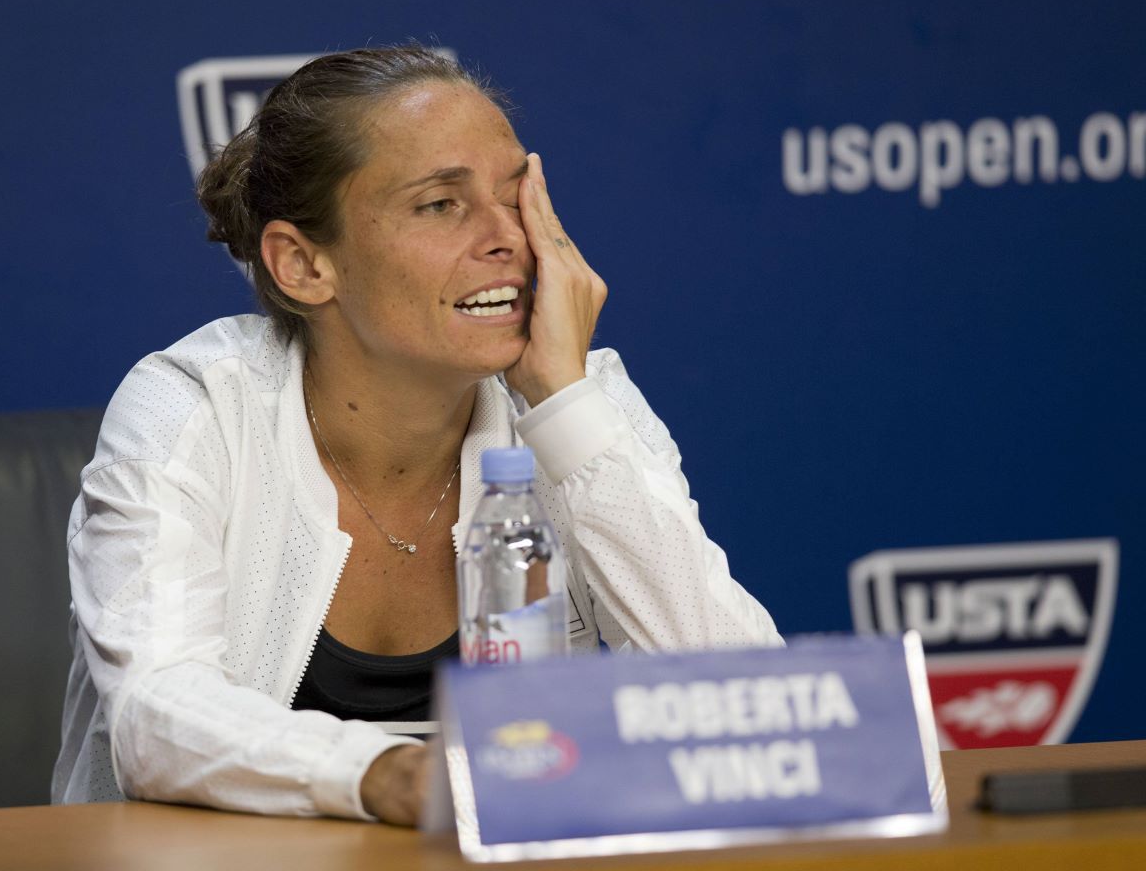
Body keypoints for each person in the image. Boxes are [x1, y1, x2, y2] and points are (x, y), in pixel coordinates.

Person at [51, 46, 781, 826]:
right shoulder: (193, 405)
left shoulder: (576, 398)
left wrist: (561, 403)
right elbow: (155, 717)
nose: (511, 239)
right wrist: (395, 776)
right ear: (302, 265)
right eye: (441, 205)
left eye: (518, 198)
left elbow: (752, 707)